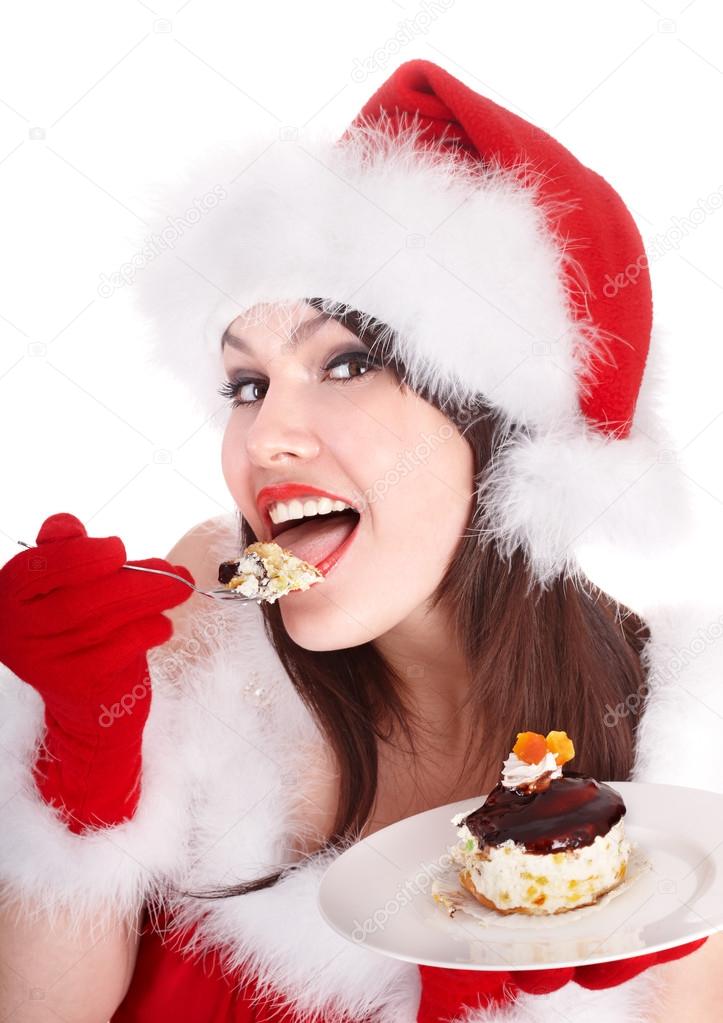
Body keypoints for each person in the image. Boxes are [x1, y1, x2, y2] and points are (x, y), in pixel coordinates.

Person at [1, 59, 720, 1023]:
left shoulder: (679, 787)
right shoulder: (188, 633)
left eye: (346, 362)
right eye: (246, 385)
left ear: (501, 424)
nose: (264, 438)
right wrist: (85, 754)